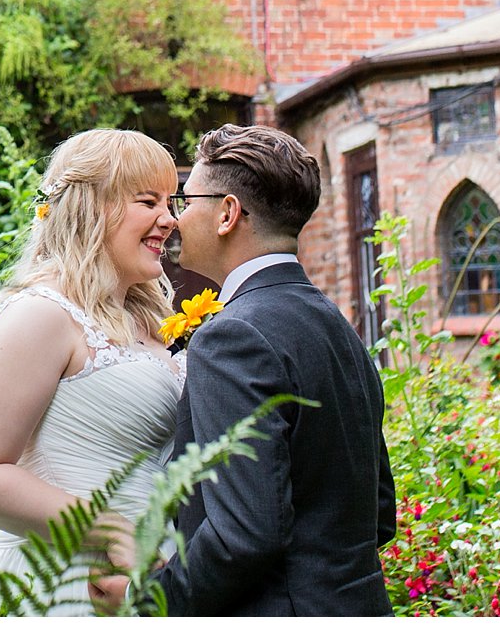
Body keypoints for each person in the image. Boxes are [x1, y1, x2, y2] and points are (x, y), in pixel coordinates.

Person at [95, 122, 396, 615]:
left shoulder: (233, 336)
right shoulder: (337, 326)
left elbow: (243, 534)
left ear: (227, 214)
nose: (175, 219)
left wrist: (143, 602)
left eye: (186, 201)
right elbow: (378, 514)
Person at [0, 128, 185, 615]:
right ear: (93, 208)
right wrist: (113, 533)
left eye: (171, 202)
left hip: (141, 589)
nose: (169, 219)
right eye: (148, 202)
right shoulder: (41, 312)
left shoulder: (151, 321)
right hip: (56, 586)